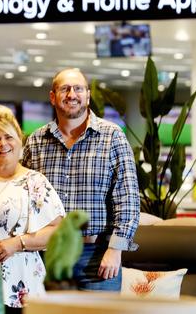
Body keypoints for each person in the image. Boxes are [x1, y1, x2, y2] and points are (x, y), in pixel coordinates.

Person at [22, 67, 140, 292]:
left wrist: (115, 249)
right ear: (53, 97)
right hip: (47, 255)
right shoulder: (36, 142)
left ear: (87, 95)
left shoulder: (112, 137)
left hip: (97, 257)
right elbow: (23, 198)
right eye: (64, 89)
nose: (71, 95)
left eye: (78, 89)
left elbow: (128, 198)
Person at [0, 105, 65, 313]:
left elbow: (57, 231)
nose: (3, 144)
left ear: (20, 139)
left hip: (20, 284)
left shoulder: (34, 182)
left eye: (8, 137)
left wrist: (18, 243)